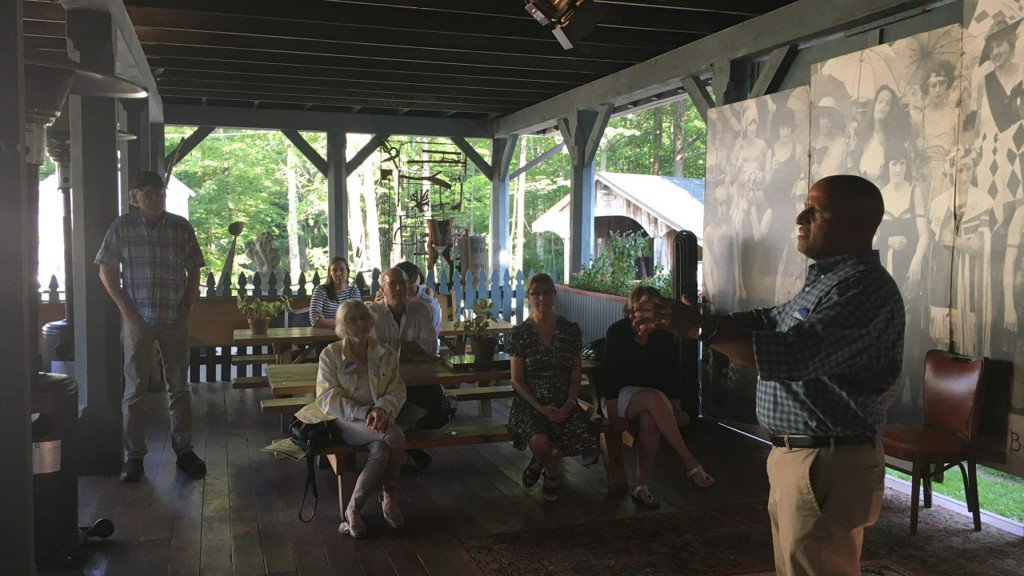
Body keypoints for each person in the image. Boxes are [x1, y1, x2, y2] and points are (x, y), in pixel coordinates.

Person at [634, 175, 905, 576]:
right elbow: (769, 321)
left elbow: (794, 355)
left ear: (854, 224)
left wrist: (701, 329)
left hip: (827, 462)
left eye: (816, 209)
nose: (800, 217)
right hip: (806, 458)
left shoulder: (863, 291)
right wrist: (703, 320)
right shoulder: (829, 282)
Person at [95, 171, 208, 483]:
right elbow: (105, 269)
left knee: (180, 387)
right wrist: (125, 308)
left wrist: (188, 305)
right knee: (135, 389)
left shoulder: (181, 227)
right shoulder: (122, 227)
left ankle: (184, 451)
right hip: (138, 318)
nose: (157, 198)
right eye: (149, 194)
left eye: (160, 193)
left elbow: (194, 268)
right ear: (135, 197)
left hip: (174, 317)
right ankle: (134, 456)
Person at [295, 300, 406, 538]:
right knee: (394, 436)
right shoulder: (331, 354)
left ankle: (353, 510)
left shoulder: (385, 352)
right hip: (344, 420)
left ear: (371, 320)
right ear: (343, 325)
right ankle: (390, 492)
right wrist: (364, 413)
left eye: (363, 317)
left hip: (377, 419)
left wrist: (381, 409)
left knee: (381, 452)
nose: (360, 323)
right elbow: (327, 397)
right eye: (352, 320)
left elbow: (396, 390)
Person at [601, 286, 715, 508]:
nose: (647, 313)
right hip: (618, 398)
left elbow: (670, 374)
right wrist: (613, 414)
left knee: (650, 420)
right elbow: (610, 376)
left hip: (654, 401)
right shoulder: (618, 331)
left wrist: (676, 407)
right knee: (653, 398)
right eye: (642, 307)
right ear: (632, 309)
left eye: (652, 308)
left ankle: (641, 485)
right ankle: (689, 461)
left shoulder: (664, 336)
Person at [508, 273, 600, 502]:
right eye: (535, 293)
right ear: (529, 296)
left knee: (587, 435)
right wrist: (540, 408)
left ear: (554, 294)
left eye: (546, 292)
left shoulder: (569, 330)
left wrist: (569, 403)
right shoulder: (520, 333)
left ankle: (539, 461)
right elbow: (517, 379)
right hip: (531, 403)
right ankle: (551, 471)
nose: (541, 298)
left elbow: (576, 375)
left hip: (563, 400)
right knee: (539, 440)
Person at [368, 267, 443, 469]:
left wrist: (392, 347)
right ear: (382, 289)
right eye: (392, 284)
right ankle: (402, 447)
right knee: (390, 407)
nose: (399, 288)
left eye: (402, 283)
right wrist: (411, 350)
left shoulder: (422, 310)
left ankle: (408, 443)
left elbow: (429, 346)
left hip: (418, 376)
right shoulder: (372, 313)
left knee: (439, 406)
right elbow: (373, 349)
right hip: (384, 380)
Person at [309, 257, 361, 328]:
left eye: (342, 270)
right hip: (324, 334)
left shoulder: (354, 291)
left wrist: (328, 321)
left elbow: (357, 318)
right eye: (334, 270)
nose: (338, 273)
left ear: (347, 271)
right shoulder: (320, 290)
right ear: (330, 273)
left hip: (348, 333)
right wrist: (345, 321)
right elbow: (315, 321)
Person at [394, 260, 442, 336]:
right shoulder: (400, 301)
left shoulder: (427, 306)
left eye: (399, 281)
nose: (396, 287)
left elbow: (426, 339)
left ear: (413, 279)